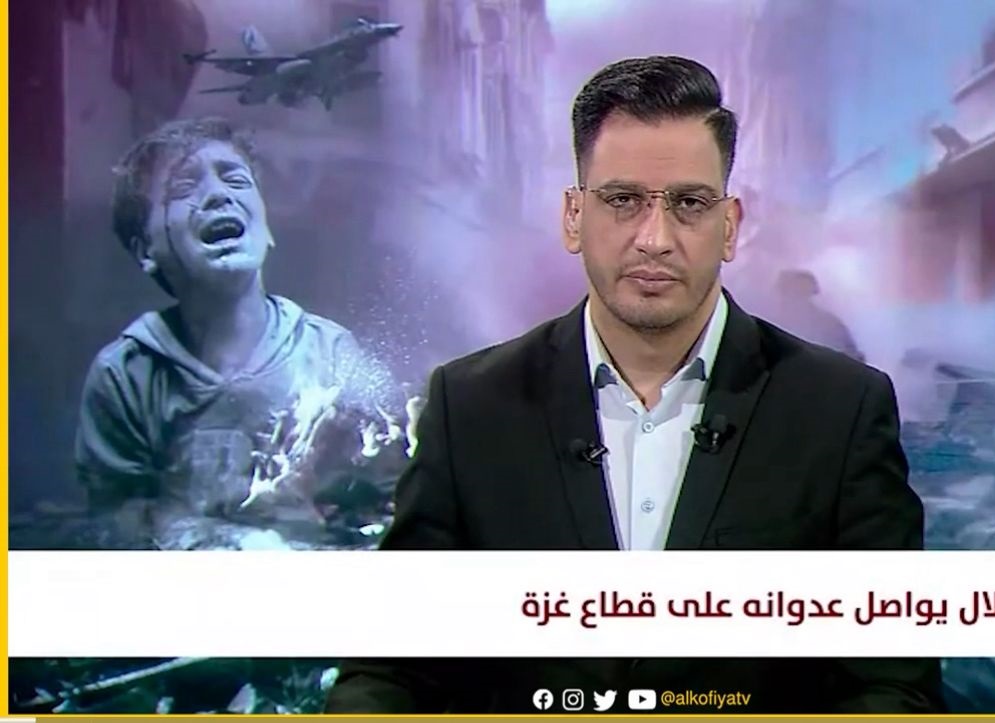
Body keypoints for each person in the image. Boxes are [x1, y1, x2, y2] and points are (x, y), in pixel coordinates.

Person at [326, 56, 943, 714]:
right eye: (622, 200)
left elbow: (892, 682)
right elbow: (391, 667)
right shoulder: (471, 406)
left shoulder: (839, 410)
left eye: (689, 203)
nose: (655, 238)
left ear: (730, 225)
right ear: (573, 216)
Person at [75, 117, 403, 551]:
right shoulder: (127, 375)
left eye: (235, 180)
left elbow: (392, 501)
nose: (218, 194)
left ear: (266, 228)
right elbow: (120, 523)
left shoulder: (333, 357)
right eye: (182, 187)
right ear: (145, 249)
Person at [769, 269, 865, 361]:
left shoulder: (829, 323)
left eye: (800, 290)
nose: (795, 296)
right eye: (791, 290)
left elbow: (851, 355)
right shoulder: (771, 323)